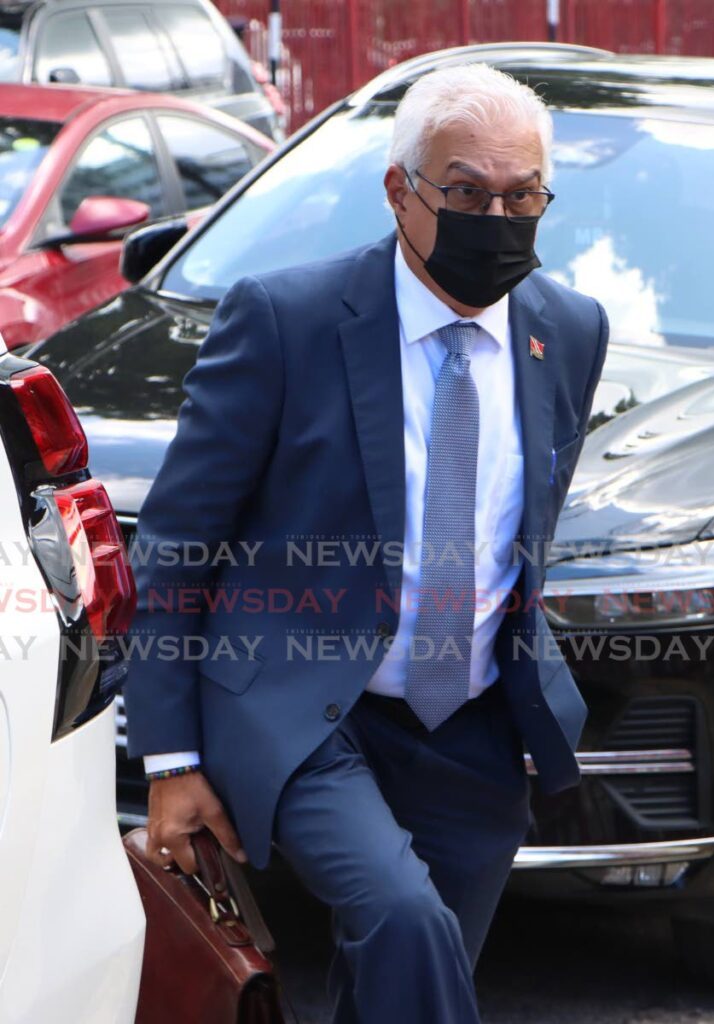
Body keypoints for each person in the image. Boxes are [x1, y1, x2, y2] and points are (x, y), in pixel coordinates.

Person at [124, 61, 609, 1023]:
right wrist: (170, 760)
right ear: (401, 191)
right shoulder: (285, 319)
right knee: (404, 924)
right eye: (468, 193)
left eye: (523, 196)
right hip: (306, 707)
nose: (499, 219)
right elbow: (177, 543)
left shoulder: (570, 329)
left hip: (470, 724)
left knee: (402, 991)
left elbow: (524, 538)